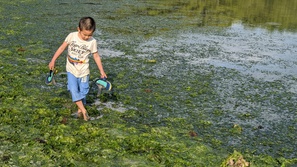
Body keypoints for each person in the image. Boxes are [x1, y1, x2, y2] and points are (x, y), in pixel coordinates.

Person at [48, 17, 107, 121]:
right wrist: (53, 60)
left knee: (83, 91)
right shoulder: (72, 36)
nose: (87, 37)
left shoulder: (92, 42)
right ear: (78, 29)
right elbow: (62, 48)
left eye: (90, 35)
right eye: (85, 34)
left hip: (84, 71)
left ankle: (80, 109)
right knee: (73, 89)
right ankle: (83, 110)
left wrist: (101, 71)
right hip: (71, 69)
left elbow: (96, 56)